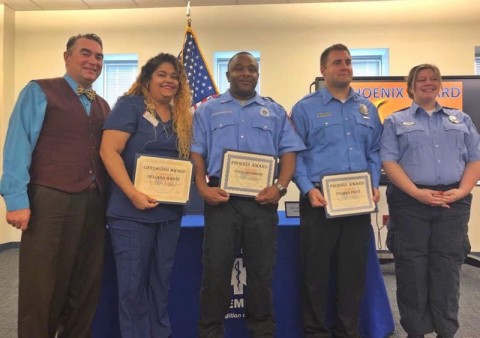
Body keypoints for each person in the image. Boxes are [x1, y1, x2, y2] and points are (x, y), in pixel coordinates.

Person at [0, 33, 109, 338]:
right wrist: (16, 199)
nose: (93, 61)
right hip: (50, 200)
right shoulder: (39, 91)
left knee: (85, 287)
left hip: (94, 204)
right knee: (42, 285)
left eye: (99, 57)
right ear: (67, 57)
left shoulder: (102, 105)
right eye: (86, 53)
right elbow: (18, 144)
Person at [191, 51, 305, 337]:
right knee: (215, 272)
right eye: (239, 68)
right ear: (228, 74)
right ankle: (210, 332)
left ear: (257, 74)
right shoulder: (208, 109)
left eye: (251, 69)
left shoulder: (275, 111)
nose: (246, 73)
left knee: (261, 273)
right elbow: (197, 153)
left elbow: (289, 153)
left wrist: (280, 188)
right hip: (222, 200)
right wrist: (202, 188)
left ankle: (263, 332)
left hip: (262, 201)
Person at [380, 64, 480, 338]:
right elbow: (388, 161)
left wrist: (461, 191)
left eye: (433, 78)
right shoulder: (395, 122)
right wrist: (417, 193)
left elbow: (475, 159)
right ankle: (415, 332)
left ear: (440, 84)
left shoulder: (461, 119)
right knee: (411, 270)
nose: (428, 83)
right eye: (421, 79)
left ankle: (447, 331)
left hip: (452, 203)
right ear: (410, 87)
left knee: (447, 269)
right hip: (410, 203)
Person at [291, 43, 382, 338]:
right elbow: (295, 155)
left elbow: (375, 151)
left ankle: (348, 332)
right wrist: (307, 189)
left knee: (352, 274)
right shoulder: (305, 108)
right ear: (323, 70)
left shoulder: (367, 109)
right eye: (337, 62)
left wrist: (372, 182)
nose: (345, 67)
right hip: (319, 200)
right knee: (315, 275)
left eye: (348, 62)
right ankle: (316, 332)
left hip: (357, 202)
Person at [99, 53, 192, 338]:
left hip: (169, 214)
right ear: (147, 79)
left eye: (175, 76)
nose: (169, 80)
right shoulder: (130, 106)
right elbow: (108, 151)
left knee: (160, 284)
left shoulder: (181, 116)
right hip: (131, 213)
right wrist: (132, 193)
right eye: (162, 74)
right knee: (132, 287)